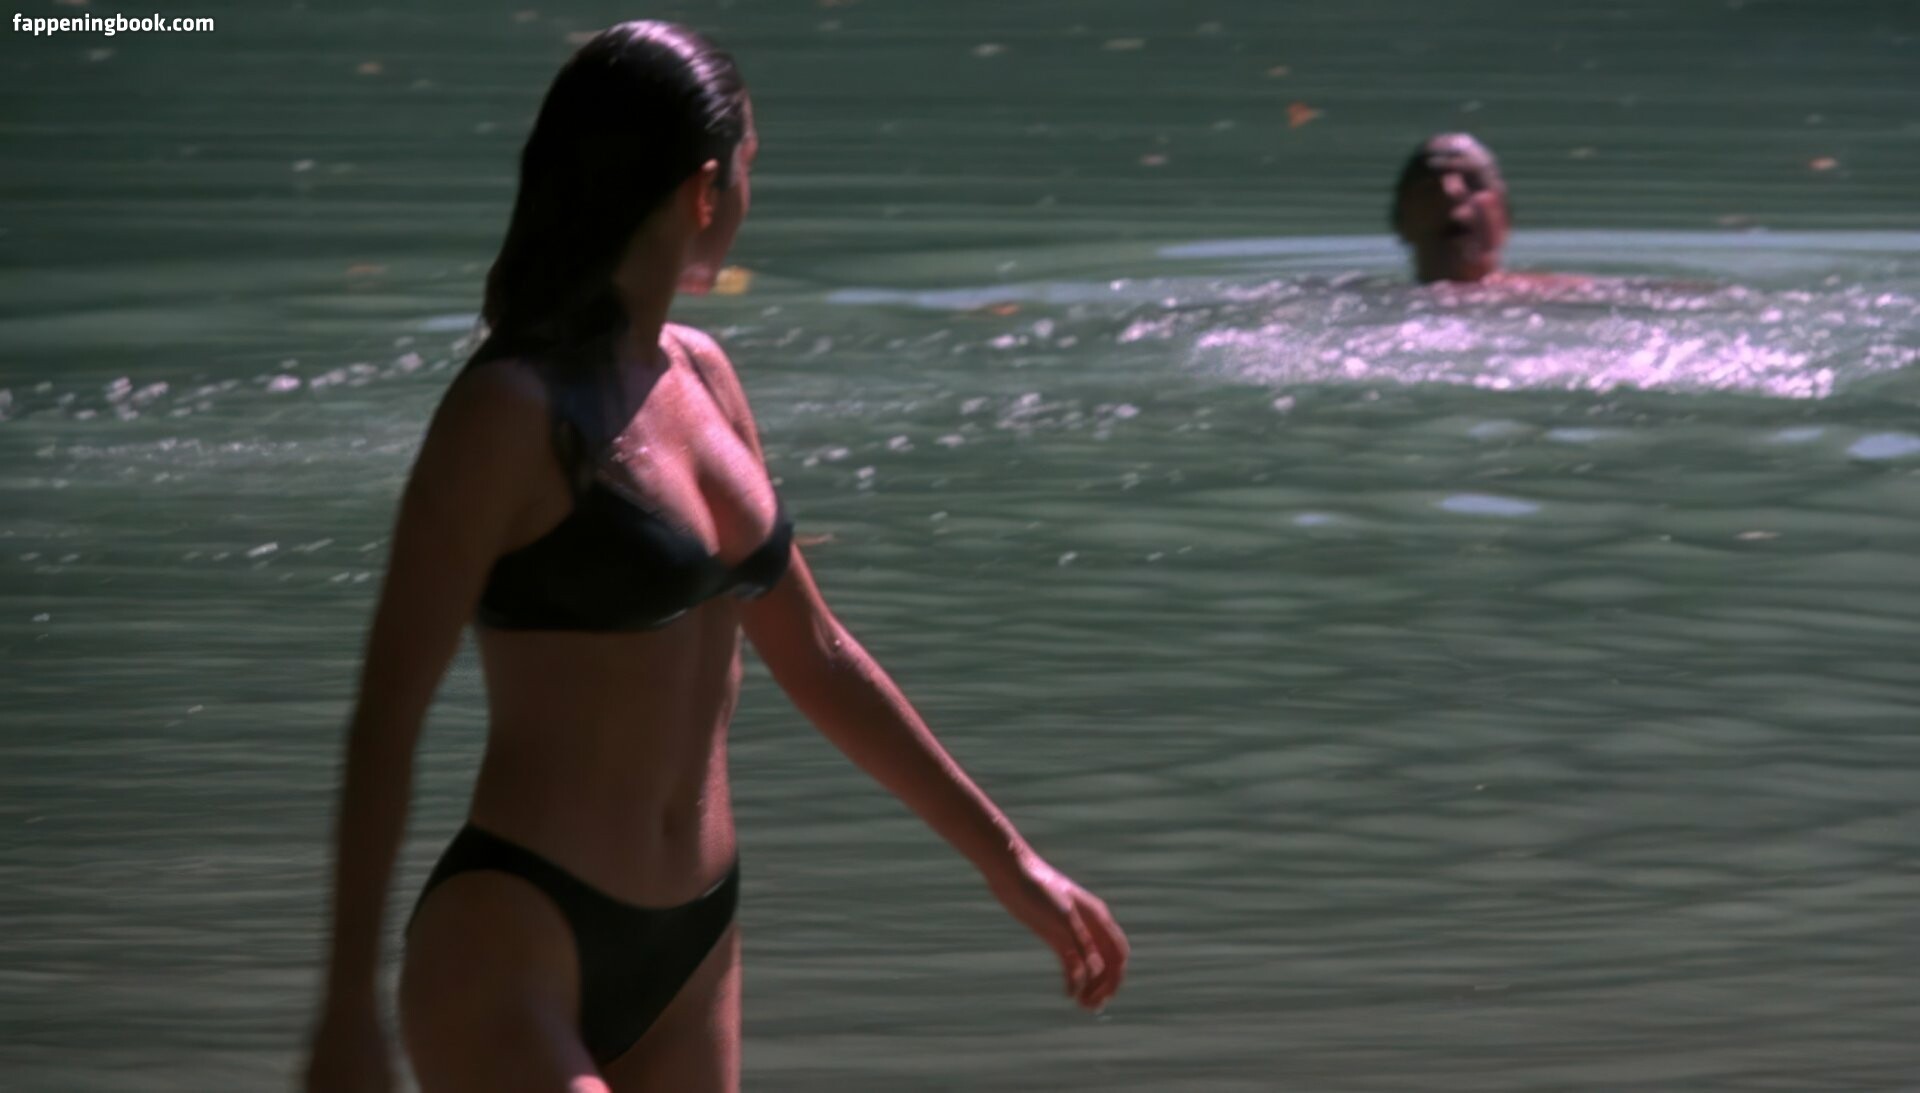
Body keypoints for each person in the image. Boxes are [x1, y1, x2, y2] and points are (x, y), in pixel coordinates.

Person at [302, 21, 1127, 1093]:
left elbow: (816, 653)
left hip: (694, 952)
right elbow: (387, 714)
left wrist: (1013, 863)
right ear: (705, 188)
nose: (748, 196)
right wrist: (346, 1005)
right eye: (749, 169)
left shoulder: (705, 375)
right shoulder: (507, 412)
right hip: (516, 938)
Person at [1389, 132, 1514, 284]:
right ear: (1401, 218)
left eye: (1473, 181)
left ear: (1503, 215)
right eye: (1431, 182)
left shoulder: (1536, 293)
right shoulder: (1371, 293)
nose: (1450, 191)